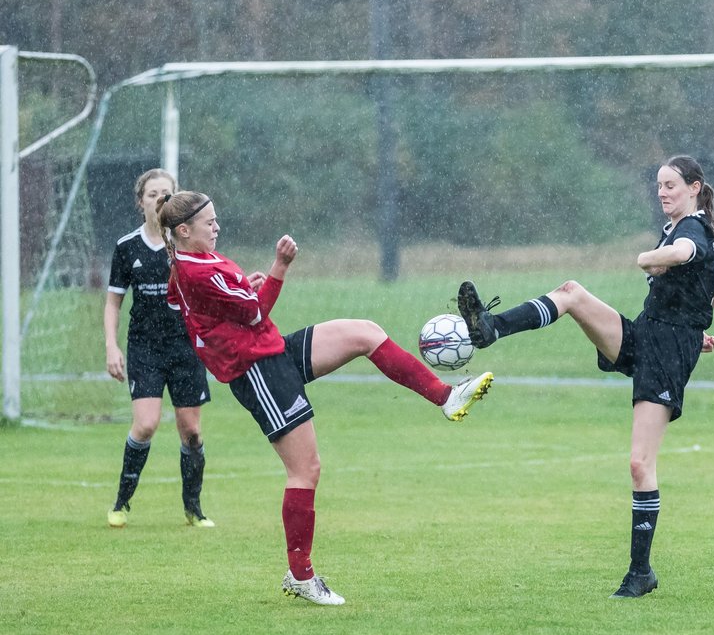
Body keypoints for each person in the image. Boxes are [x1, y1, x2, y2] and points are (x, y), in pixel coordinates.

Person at [161, 190, 494, 606]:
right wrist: (279, 268)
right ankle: (301, 575)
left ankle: (445, 396)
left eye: (216, 219)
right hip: (257, 371)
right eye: (209, 222)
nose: (217, 226)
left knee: (365, 333)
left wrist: (241, 290)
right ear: (183, 230)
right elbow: (252, 313)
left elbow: (204, 305)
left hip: (272, 351)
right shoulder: (193, 270)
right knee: (306, 471)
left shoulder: (197, 262)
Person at [457, 154, 714, 599]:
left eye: (671, 185)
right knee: (571, 294)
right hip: (650, 334)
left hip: (667, 353)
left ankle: (640, 572)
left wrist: (650, 262)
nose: (662, 192)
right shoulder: (680, 228)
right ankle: (490, 329)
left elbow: (685, 255)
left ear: (695, 187)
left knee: (640, 464)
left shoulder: (692, 231)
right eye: (658, 185)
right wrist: (699, 322)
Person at [104, 168, 214, 529]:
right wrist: (111, 347)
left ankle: (193, 508)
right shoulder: (127, 247)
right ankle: (121, 502)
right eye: (152, 194)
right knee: (147, 424)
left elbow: (213, 289)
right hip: (145, 349)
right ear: (141, 202)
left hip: (186, 349)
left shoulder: (188, 245)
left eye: (166, 193)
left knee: (192, 432)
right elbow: (114, 303)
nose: (159, 199)